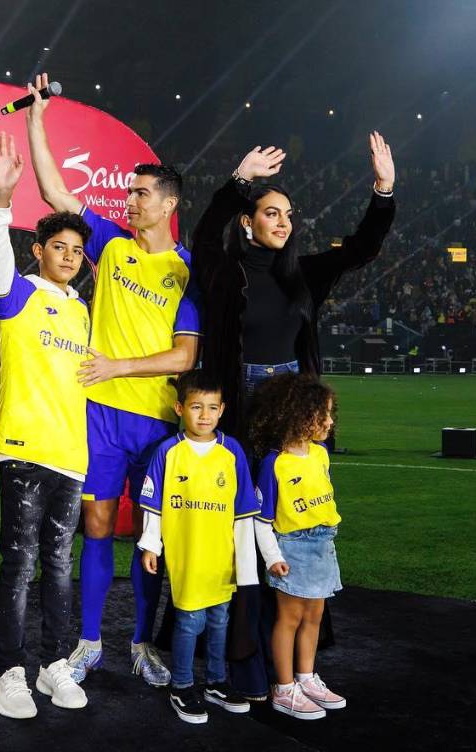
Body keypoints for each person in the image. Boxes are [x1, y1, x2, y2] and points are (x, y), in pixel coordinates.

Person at [191, 135, 395, 699]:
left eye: (288, 215)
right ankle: (243, 657)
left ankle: (297, 668)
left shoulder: (302, 274)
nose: (282, 222)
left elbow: (361, 248)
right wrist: (239, 181)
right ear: (250, 221)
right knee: (243, 527)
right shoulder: (225, 271)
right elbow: (205, 232)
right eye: (270, 212)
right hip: (241, 404)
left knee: (295, 524)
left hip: (292, 412)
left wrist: (383, 190)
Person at [25, 73, 200, 687]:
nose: (130, 201)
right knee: (95, 526)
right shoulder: (113, 245)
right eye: (128, 193)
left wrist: (119, 366)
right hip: (97, 413)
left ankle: (142, 644)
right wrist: (36, 120)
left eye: (141, 194)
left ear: (169, 204)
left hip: (154, 419)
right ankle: (91, 642)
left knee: (152, 538)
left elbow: (183, 358)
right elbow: (54, 192)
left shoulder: (186, 273)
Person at [0, 132, 93, 718]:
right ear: (40, 250)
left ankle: (54, 666)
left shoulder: (81, 310)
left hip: (72, 455)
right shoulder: (18, 294)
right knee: (20, 564)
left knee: (58, 565)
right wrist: (3, 195)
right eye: (60, 246)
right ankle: (10, 672)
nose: (70, 256)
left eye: (77, 250)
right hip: (26, 451)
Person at [137, 370, 259, 724]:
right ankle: (182, 684)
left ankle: (216, 682)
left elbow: (243, 511)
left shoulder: (231, 451)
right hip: (187, 556)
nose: (203, 415)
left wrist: (245, 557)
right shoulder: (168, 452)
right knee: (190, 620)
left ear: (222, 410)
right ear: (179, 408)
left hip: (222, 557)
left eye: (211, 408)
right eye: (195, 407)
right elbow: (153, 507)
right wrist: (150, 546)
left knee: (220, 619)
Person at [251, 373, 347, 721]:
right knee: (289, 618)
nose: (330, 421)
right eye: (324, 414)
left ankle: (307, 678)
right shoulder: (273, 464)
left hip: (323, 544)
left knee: (315, 616)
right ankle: (284, 686)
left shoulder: (321, 454)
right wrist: (273, 557)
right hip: (291, 548)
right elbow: (261, 520)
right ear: (299, 415)